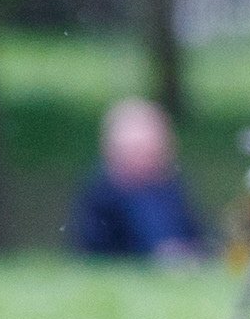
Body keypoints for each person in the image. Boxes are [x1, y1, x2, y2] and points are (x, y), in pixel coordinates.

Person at [69, 97, 205, 262]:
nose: (142, 157)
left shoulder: (171, 188)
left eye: (149, 149)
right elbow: (96, 248)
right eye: (135, 149)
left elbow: (194, 233)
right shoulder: (104, 195)